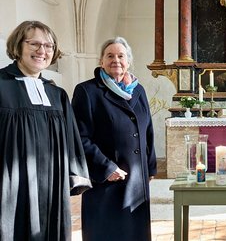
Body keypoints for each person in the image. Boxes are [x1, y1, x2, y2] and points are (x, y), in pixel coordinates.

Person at [0, 20, 91, 240]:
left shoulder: (56, 94)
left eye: (49, 46)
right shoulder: (1, 86)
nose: (42, 51)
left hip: (52, 186)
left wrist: (74, 173)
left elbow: (71, 140)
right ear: (18, 46)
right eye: (34, 44)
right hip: (10, 186)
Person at [72, 37, 157, 240]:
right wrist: (106, 168)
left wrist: (150, 167)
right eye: (110, 55)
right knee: (107, 231)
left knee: (134, 232)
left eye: (121, 56)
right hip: (106, 180)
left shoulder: (138, 90)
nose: (116, 60)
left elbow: (148, 130)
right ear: (101, 61)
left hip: (136, 177)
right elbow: (79, 137)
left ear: (128, 61)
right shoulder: (87, 91)